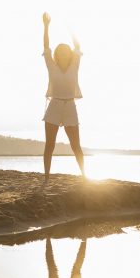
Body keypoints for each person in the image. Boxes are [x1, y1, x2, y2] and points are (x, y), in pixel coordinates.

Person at [41, 12, 84, 184]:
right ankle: (46, 178)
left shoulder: (75, 65)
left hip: (70, 107)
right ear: (57, 55)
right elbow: (46, 47)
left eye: (67, 51)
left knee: (76, 146)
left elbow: (77, 45)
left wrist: (70, 26)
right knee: (49, 146)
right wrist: (46, 27)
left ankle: (84, 176)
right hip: (55, 106)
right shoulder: (51, 66)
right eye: (62, 52)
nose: (65, 53)